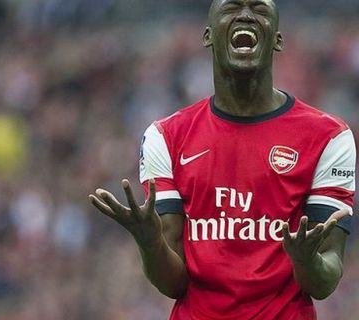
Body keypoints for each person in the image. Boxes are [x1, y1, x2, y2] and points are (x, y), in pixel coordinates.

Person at [88, 0, 356, 319]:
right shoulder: (167, 137)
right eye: (231, 8)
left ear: (278, 40)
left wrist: (306, 261)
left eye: (259, 9)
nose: (245, 15)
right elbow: (173, 283)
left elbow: (325, 279)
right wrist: (149, 243)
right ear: (208, 36)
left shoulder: (328, 137)